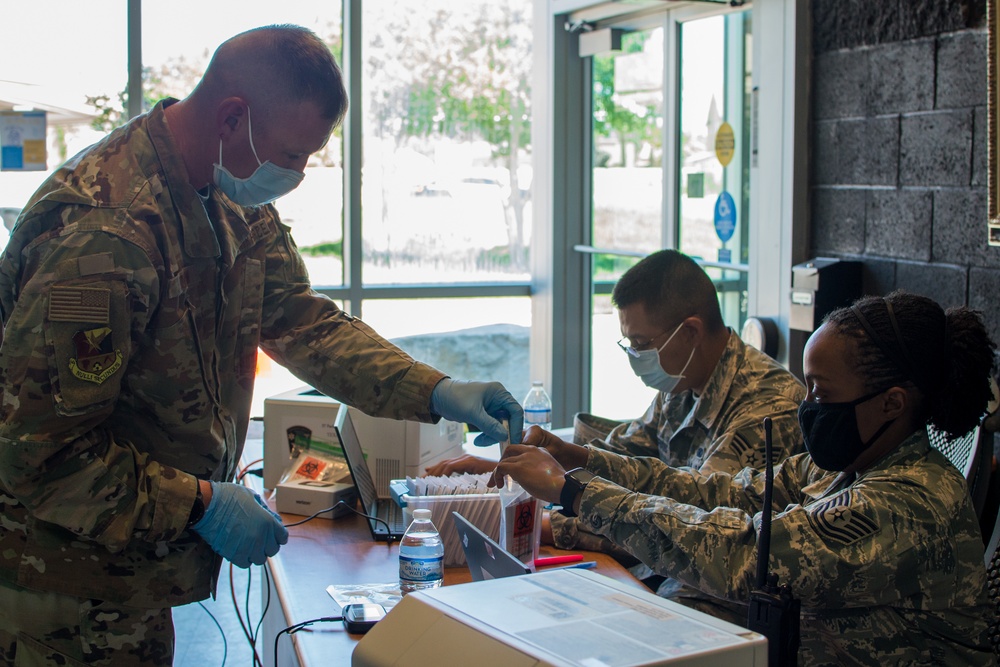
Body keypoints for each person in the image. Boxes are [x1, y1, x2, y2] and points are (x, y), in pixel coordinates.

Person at [0, 25, 522, 666]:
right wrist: (199, 504)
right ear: (231, 117)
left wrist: (436, 391)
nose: (297, 174)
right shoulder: (104, 235)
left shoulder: (227, 198)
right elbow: (40, 454)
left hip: (130, 570)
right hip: (57, 587)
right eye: (291, 155)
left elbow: (305, 323)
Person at [497, 290, 996, 665]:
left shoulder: (910, 502)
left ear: (892, 403)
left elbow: (743, 553)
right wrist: (579, 460)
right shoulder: (844, 467)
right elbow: (716, 491)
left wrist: (574, 492)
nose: (805, 408)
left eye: (820, 394)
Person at [428, 250, 806, 555]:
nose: (635, 357)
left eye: (641, 344)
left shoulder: (766, 407)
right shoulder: (686, 383)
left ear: (690, 332)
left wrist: (537, 522)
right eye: (630, 343)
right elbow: (628, 459)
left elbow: (693, 529)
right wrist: (520, 467)